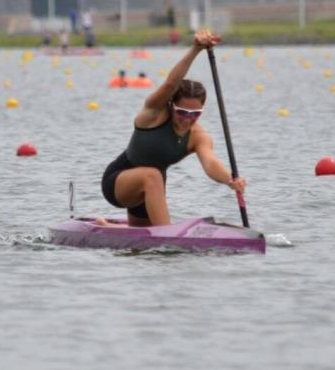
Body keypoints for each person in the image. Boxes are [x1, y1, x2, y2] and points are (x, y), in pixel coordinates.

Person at [99, 30, 246, 227]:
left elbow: (210, 163)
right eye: (182, 112)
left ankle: (108, 228)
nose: (188, 119)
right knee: (152, 175)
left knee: (140, 241)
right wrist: (196, 49)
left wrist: (230, 180)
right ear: (171, 105)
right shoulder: (154, 113)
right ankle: (166, 233)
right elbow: (170, 84)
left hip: (152, 189)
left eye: (195, 114)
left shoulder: (198, 137)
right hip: (118, 182)